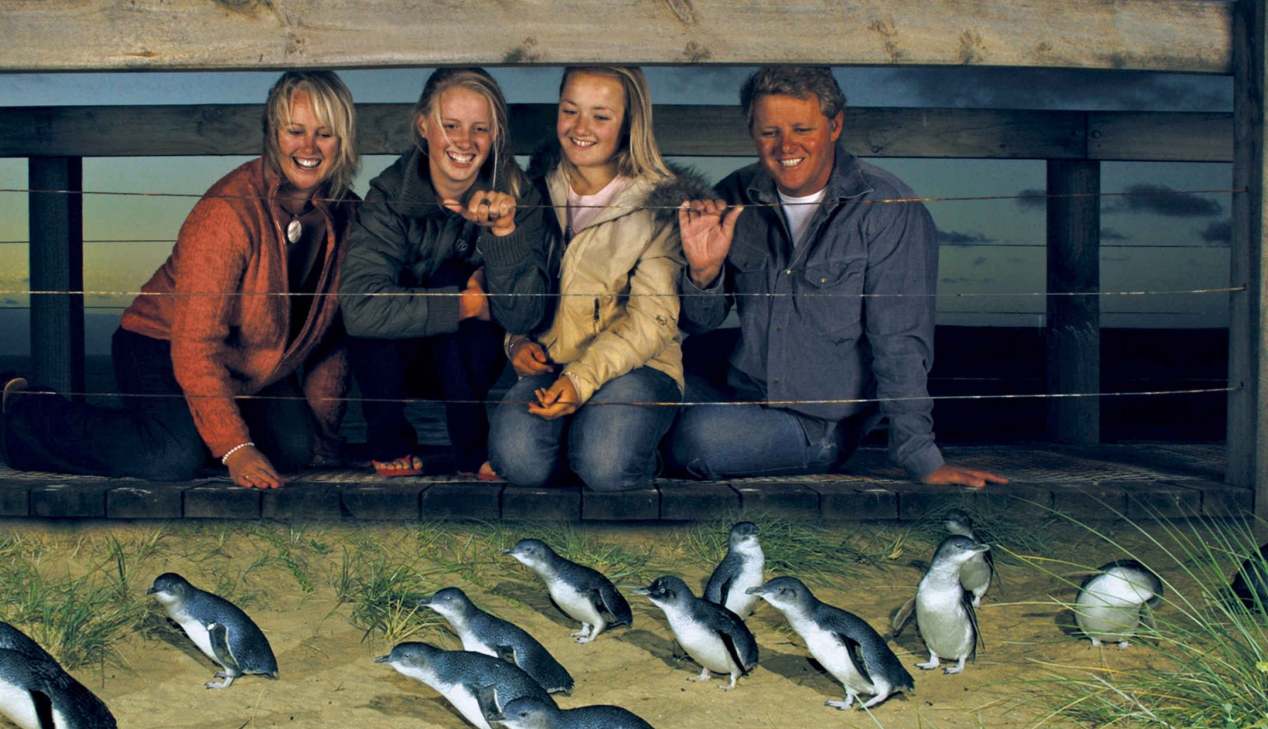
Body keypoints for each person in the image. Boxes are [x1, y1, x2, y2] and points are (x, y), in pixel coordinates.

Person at [0, 69, 358, 489]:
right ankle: (26, 413)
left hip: (247, 367)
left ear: (344, 139)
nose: (309, 148)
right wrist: (235, 448)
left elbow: (333, 337)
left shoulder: (350, 216)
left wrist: (325, 436)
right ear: (272, 134)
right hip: (161, 343)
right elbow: (195, 343)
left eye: (325, 133)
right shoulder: (227, 213)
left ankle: (201, 426)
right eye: (295, 131)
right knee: (172, 457)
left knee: (297, 451)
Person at [665, 64, 1006, 488]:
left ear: (835, 125)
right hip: (737, 392)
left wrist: (921, 458)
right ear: (752, 132)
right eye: (769, 131)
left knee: (696, 439)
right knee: (634, 402)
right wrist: (703, 270)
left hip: (821, 425)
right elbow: (700, 321)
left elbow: (901, 345)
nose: (786, 146)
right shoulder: (733, 196)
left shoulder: (889, 210)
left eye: (802, 129)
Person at [487, 66, 712, 493]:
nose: (580, 128)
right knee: (518, 460)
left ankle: (640, 442)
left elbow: (654, 319)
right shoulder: (531, 191)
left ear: (629, 123)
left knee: (606, 466)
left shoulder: (660, 201)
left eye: (601, 116)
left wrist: (581, 381)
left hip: (642, 366)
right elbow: (515, 281)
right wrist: (515, 342)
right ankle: (587, 440)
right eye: (570, 111)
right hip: (554, 365)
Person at [338, 67, 552, 478]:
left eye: (480, 129)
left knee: (450, 273)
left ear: (496, 135)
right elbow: (360, 306)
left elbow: (524, 316)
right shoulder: (387, 195)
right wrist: (467, 302)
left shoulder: (519, 194)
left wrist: (502, 233)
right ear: (423, 126)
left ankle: (471, 448)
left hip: (467, 368)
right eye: (449, 125)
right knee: (411, 294)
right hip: (397, 363)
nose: (465, 142)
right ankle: (389, 440)